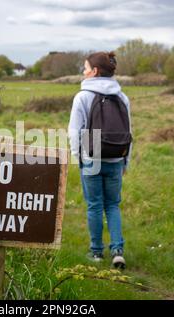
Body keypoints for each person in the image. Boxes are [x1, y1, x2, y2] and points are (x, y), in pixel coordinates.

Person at [68, 51, 132, 269]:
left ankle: (96, 252)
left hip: (91, 158)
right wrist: (126, 161)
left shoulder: (82, 97)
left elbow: (74, 132)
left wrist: (78, 157)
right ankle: (117, 250)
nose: (83, 72)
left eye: (85, 68)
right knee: (113, 205)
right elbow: (129, 132)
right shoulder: (122, 97)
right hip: (116, 158)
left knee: (94, 205)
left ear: (94, 71)